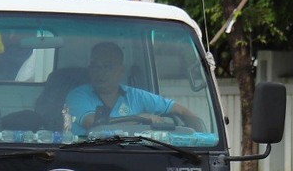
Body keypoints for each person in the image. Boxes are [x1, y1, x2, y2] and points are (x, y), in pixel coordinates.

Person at [64, 41, 204, 134]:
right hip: (88, 159)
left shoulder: (136, 96)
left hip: (132, 160)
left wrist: (199, 130)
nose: (100, 72)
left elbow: (178, 108)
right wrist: (140, 119)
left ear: (121, 70)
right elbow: (95, 124)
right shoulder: (78, 95)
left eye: (107, 66)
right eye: (95, 66)